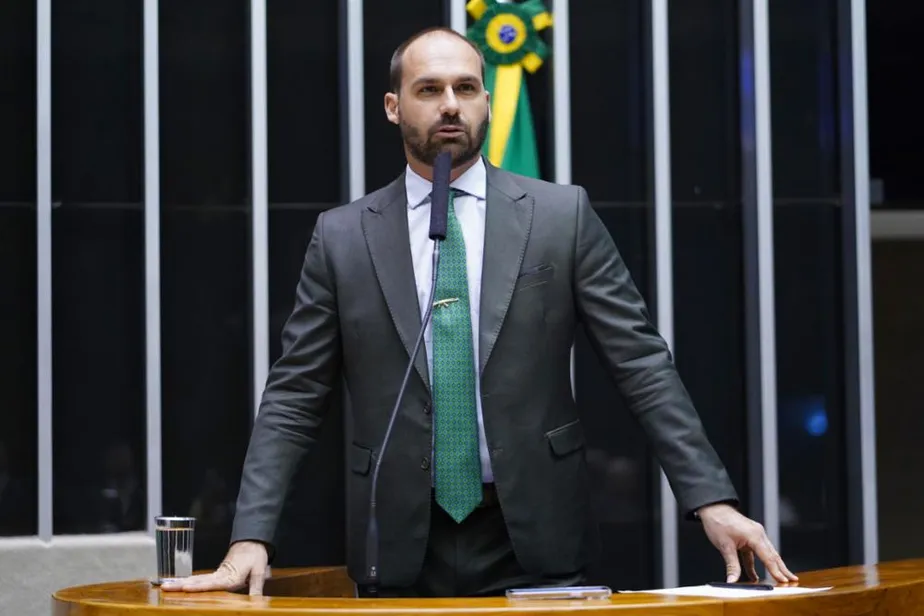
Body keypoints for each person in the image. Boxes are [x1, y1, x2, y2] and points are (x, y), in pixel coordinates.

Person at [162, 26, 798, 598]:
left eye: (466, 88)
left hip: (537, 534)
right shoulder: (343, 237)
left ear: (487, 102)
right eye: (429, 88)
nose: (449, 105)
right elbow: (294, 396)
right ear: (393, 107)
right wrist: (252, 536)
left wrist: (710, 498)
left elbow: (642, 365)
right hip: (399, 537)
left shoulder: (559, 217)